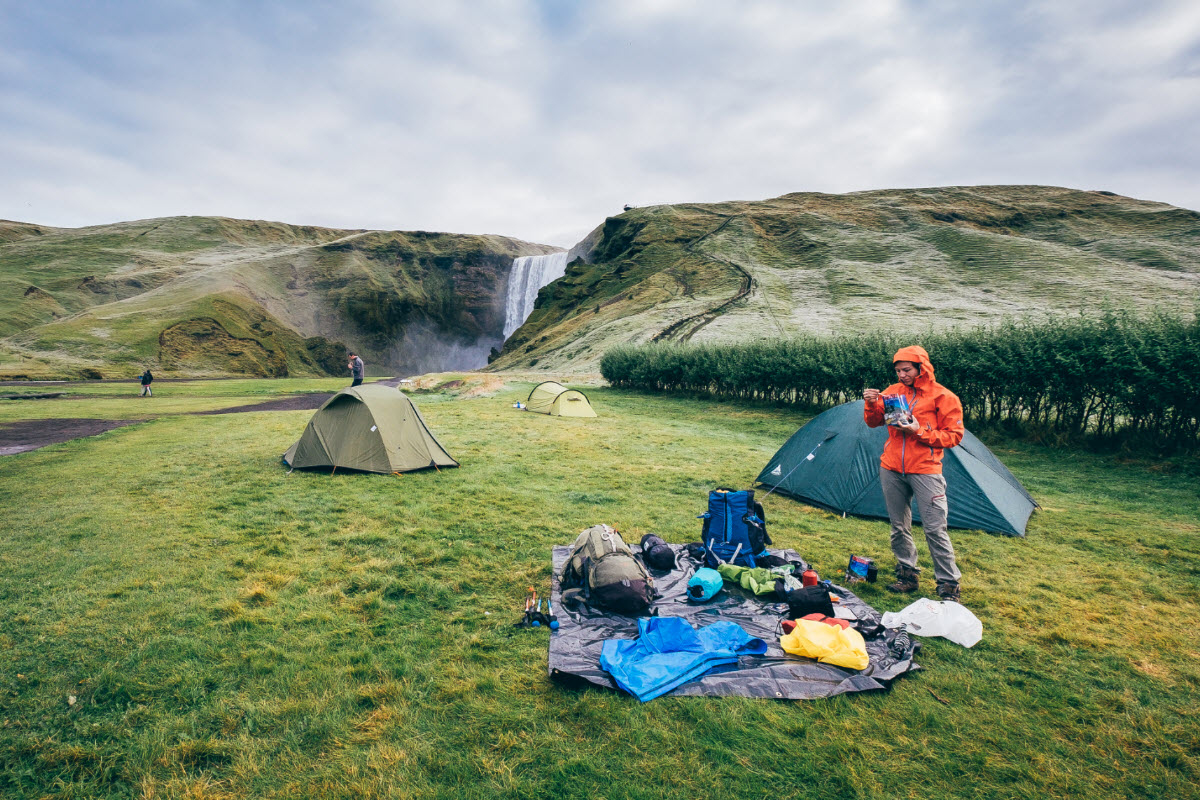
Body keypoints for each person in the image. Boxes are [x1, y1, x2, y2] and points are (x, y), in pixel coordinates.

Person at [863, 345, 964, 602]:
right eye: (898, 370)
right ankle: (907, 575)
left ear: (921, 368)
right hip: (892, 467)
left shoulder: (944, 397)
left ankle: (948, 585)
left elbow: (954, 436)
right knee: (899, 526)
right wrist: (872, 403)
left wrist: (919, 431)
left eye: (906, 370)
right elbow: (874, 422)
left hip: (926, 470)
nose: (901, 375)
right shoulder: (893, 392)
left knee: (935, 529)